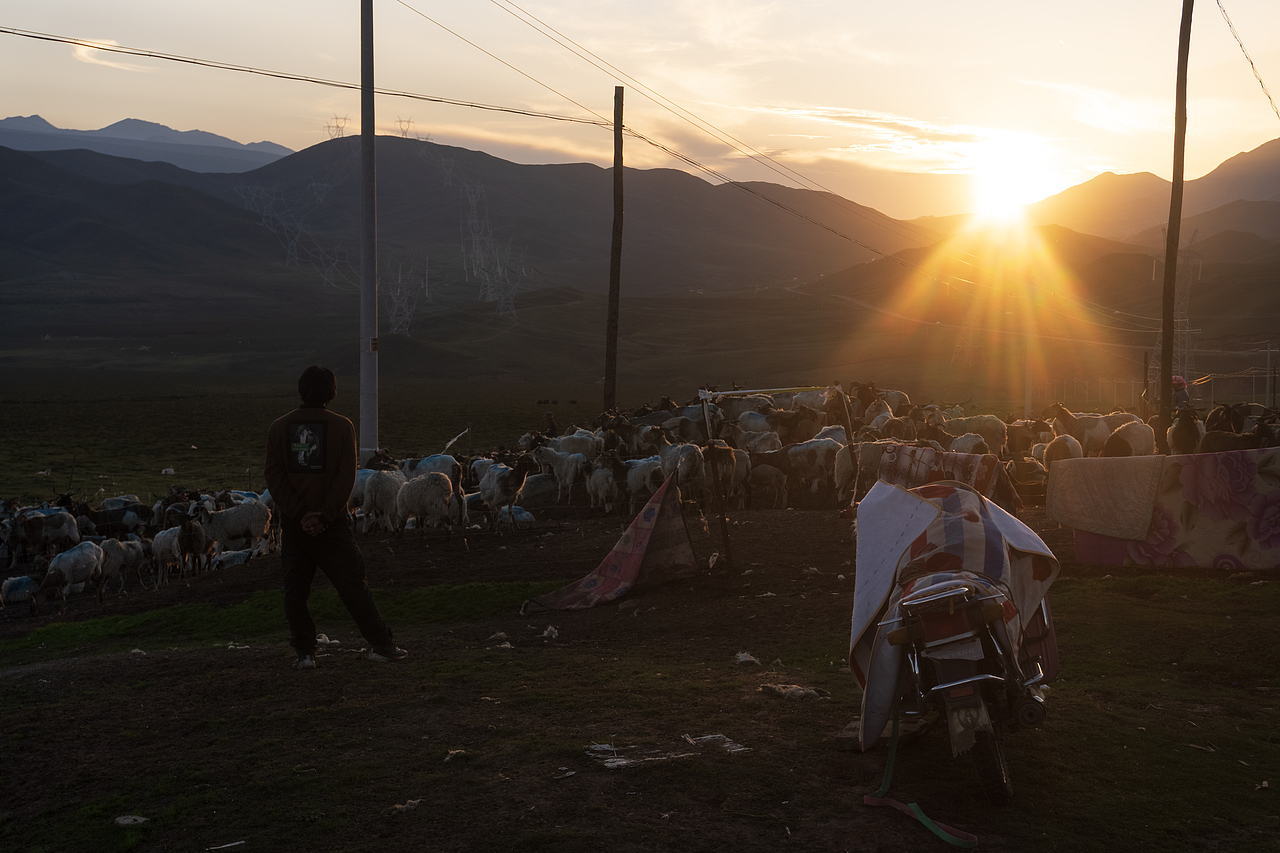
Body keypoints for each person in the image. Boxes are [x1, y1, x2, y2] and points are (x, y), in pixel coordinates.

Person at [264, 365, 407, 670]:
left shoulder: (279, 427)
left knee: (296, 592)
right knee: (354, 586)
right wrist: (324, 515)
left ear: (301, 389)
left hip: (294, 525)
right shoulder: (343, 427)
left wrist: (301, 515)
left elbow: (274, 477)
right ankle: (382, 645)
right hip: (332, 525)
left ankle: (304, 653)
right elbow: (346, 477)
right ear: (332, 392)